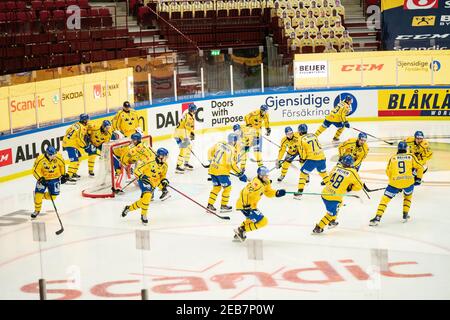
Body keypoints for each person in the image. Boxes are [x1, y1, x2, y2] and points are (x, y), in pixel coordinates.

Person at [369, 141, 424, 226]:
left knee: (385, 200)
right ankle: (405, 214)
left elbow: (388, 172)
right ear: (406, 149)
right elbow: (420, 167)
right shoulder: (411, 156)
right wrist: (418, 179)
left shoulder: (393, 158)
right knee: (407, 197)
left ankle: (377, 217)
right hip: (408, 182)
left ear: (398, 149)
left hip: (394, 183)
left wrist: (395, 182)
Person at [312, 155, 364, 234]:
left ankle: (332, 221)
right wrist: (350, 188)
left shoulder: (336, 167)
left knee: (340, 204)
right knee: (330, 214)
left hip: (325, 193)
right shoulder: (353, 172)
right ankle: (319, 227)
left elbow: (329, 178)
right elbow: (359, 186)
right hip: (334, 198)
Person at [233, 166, 286, 242]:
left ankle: (239, 231)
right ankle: (242, 230)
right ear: (260, 175)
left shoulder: (265, 182)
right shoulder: (256, 183)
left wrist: (277, 193)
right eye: (265, 175)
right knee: (263, 221)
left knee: (251, 220)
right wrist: (246, 206)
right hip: (244, 205)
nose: (267, 177)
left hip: (251, 206)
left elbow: (268, 192)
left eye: (267, 175)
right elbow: (244, 192)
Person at [121, 148, 170, 225]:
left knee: (144, 201)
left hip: (154, 183)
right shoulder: (149, 161)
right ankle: (144, 215)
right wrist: (142, 176)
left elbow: (162, 176)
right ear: (160, 156)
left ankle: (128, 208)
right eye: (165, 156)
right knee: (147, 195)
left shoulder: (165, 165)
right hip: (144, 180)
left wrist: (164, 181)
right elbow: (137, 170)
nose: (166, 158)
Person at [206, 133, 248, 213]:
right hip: (222, 172)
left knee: (216, 188)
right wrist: (240, 174)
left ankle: (210, 205)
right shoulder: (232, 150)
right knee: (227, 188)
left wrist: (210, 160)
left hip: (212, 170)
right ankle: (223, 206)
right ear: (234, 141)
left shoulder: (219, 143)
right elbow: (231, 164)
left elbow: (209, 151)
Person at [31, 146, 69, 218]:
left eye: (54, 154)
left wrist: (63, 175)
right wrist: (40, 179)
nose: (54, 156)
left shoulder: (58, 157)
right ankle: (37, 210)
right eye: (52, 155)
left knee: (53, 196)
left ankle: (41, 196)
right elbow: (35, 170)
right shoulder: (40, 159)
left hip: (55, 179)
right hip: (43, 179)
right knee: (38, 194)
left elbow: (62, 165)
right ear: (48, 154)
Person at [294, 124, 330, 199]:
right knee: (324, 174)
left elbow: (303, 151)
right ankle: (331, 189)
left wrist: (302, 158)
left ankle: (300, 192)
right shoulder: (313, 135)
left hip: (312, 160)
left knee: (303, 174)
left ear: (299, 131)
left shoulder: (300, 139)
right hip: (322, 157)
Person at [62, 113, 90, 180]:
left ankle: (73, 172)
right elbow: (79, 139)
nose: (88, 121)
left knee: (79, 157)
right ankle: (68, 176)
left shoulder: (76, 124)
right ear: (85, 120)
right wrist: (85, 146)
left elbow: (67, 131)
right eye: (87, 119)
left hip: (68, 142)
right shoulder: (82, 128)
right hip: (71, 145)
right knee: (74, 161)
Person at [174, 103, 197, 173]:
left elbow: (189, 127)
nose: (195, 111)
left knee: (189, 147)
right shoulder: (189, 117)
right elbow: (187, 128)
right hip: (180, 134)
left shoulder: (188, 113)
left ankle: (186, 163)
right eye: (194, 110)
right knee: (183, 149)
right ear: (192, 110)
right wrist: (191, 134)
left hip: (181, 133)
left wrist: (192, 132)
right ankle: (178, 166)